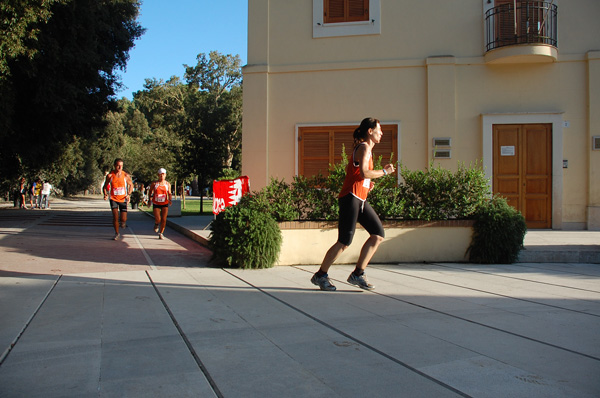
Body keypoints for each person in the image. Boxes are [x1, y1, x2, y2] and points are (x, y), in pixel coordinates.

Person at [311, 117, 395, 291]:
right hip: (350, 198)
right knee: (344, 241)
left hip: (360, 198)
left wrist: (367, 185)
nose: (382, 133)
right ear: (370, 131)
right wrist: (384, 172)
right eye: (379, 129)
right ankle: (320, 275)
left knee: (377, 234)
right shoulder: (364, 147)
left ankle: (358, 274)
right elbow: (364, 172)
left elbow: (360, 175)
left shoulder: (368, 150)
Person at [103, 158, 133, 240]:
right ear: (114, 166)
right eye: (118, 166)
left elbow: (131, 185)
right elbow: (105, 186)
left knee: (123, 219)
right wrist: (105, 194)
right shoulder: (110, 176)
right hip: (113, 198)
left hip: (123, 199)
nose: (120, 168)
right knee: (115, 217)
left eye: (121, 166)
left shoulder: (125, 176)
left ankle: (123, 222)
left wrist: (129, 194)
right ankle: (116, 233)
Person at [147, 168, 172, 239]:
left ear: (165, 175)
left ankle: (161, 233)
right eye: (160, 175)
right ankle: (156, 224)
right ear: (158, 175)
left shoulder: (167, 184)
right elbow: (150, 191)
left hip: (164, 203)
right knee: (158, 218)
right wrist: (149, 199)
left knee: (164, 219)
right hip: (156, 203)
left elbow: (169, 193)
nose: (162, 176)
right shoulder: (155, 184)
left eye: (163, 174)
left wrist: (170, 199)